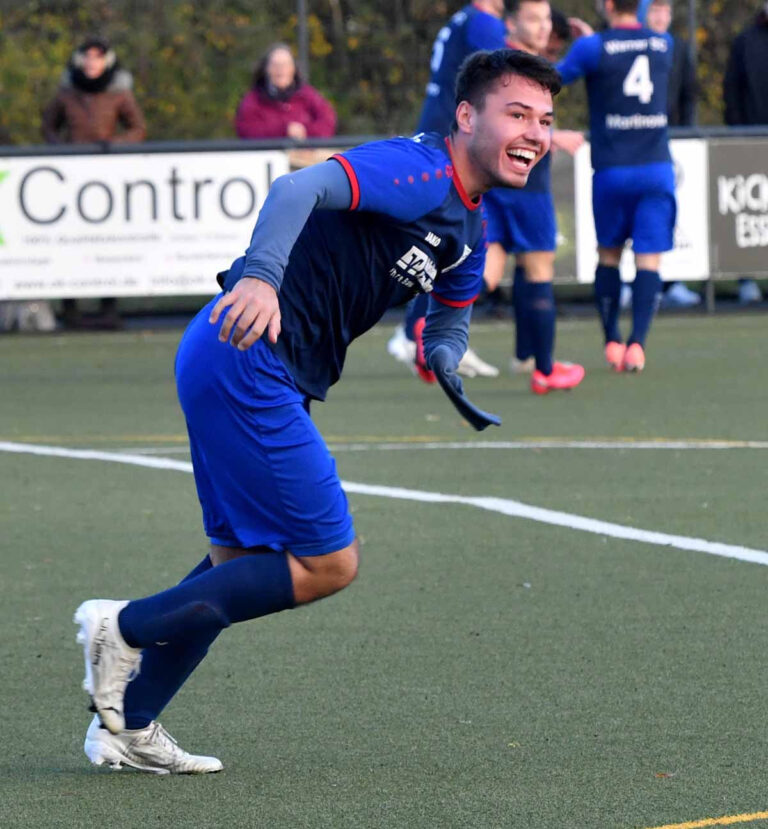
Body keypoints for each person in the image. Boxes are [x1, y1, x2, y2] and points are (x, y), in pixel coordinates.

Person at [73, 48, 560, 774]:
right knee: (329, 561)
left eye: (546, 120)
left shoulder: (468, 225)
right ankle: (123, 626)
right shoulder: (420, 168)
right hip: (249, 352)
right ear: (466, 116)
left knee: (236, 563)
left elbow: (450, 313)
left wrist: (448, 361)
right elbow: (297, 188)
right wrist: (263, 276)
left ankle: (127, 724)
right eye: (516, 114)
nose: (535, 132)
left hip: (236, 357)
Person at [387, 0, 508, 380]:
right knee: (452, 239)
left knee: (443, 238)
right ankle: (422, 335)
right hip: (453, 140)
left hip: (439, 133)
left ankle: (418, 334)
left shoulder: (462, 19)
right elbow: (501, 79)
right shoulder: (484, 22)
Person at [557, 0, 676, 373]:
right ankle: (637, 345)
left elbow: (553, 79)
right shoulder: (663, 43)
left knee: (608, 254)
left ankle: (611, 340)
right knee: (649, 259)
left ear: (606, 5)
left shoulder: (592, 48)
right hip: (655, 168)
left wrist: (583, 46)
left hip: (612, 171)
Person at [481, 0, 585, 394]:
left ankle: (424, 320)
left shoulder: (499, 66)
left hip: (497, 184)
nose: (543, 27)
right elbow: (510, 120)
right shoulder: (519, 68)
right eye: (533, 19)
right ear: (511, 23)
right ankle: (544, 369)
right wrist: (551, 135)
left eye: (545, 19)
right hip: (526, 185)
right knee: (539, 270)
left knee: (489, 273)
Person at [42, 36, 146, 330]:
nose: (92, 63)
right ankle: (70, 306)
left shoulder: (119, 93)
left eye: (97, 57)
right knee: (69, 238)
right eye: (87, 57)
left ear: (106, 61)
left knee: (106, 238)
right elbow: (49, 125)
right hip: (71, 176)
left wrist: (115, 144)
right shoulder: (66, 93)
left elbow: (138, 128)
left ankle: (108, 305)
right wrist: (60, 148)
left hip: (106, 177)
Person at [645, 0, 701, 309]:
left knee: (669, 213)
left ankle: (673, 281)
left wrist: (686, 131)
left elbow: (689, 92)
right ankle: (634, 283)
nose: (660, 16)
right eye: (654, 11)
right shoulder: (633, 45)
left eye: (664, 11)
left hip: (673, 141)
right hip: (638, 144)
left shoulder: (678, 48)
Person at [723, 3, 768, 305]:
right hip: (751, 142)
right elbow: (732, 90)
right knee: (749, 215)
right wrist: (740, 134)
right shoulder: (746, 41)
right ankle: (747, 279)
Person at [235, 43, 336, 140]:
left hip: (308, 154)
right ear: (266, 69)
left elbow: (328, 121)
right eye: (275, 65)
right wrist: (283, 131)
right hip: (269, 156)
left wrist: (304, 131)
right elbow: (247, 130)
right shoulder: (253, 99)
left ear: (294, 68)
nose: (281, 69)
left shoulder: (308, 94)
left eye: (285, 64)